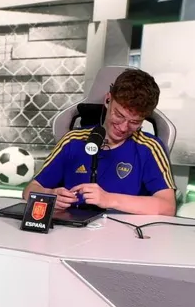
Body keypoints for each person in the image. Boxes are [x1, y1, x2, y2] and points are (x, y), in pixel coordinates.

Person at [23, 68, 175, 216]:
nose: (123, 127)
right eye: (119, 115)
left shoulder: (150, 148)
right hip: (71, 229)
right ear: (108, 100)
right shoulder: (73, 141)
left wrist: (109, 199)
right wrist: (49, 195)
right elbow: (30, 190)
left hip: (125, 231)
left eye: (134, 122)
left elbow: (168, 206)